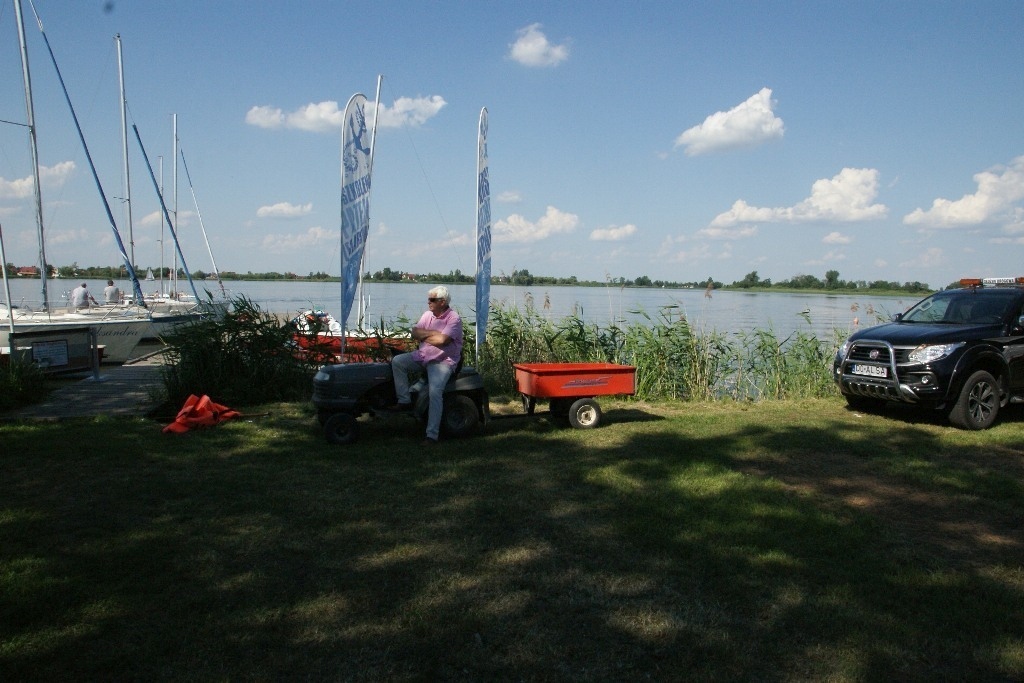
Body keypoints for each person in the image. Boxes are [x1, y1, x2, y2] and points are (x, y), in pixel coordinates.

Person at [388, 285, 463, 446]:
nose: (428, 302)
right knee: (398, 362)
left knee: (435, 392)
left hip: (442, 361)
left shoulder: (454, 319)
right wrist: (434, 335)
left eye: (432, 300)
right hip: (423, 356)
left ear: (442, 302)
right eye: (429, 299)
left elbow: (442, 341)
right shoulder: (427, 315)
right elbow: (414, 332)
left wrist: (426, 336)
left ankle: (432, 435)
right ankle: (404, 400)